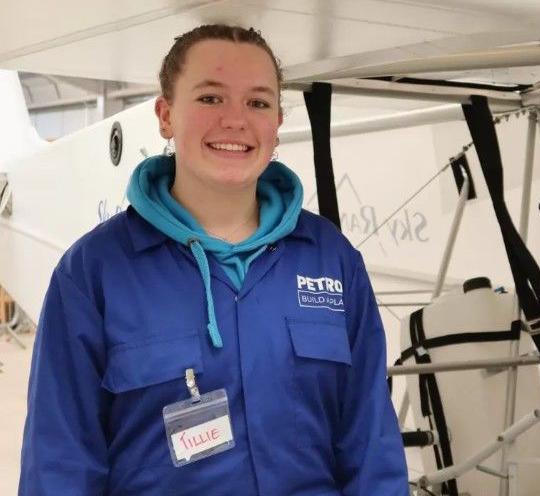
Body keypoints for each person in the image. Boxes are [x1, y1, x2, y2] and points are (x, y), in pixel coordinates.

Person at [19, 24, 408, 495]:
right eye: (210, 98)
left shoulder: (333, 261)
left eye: (258, 102)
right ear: (165, 115)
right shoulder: (93, 274)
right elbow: (60, 465)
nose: (235, 121)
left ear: (278, 123)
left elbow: (372, 448)